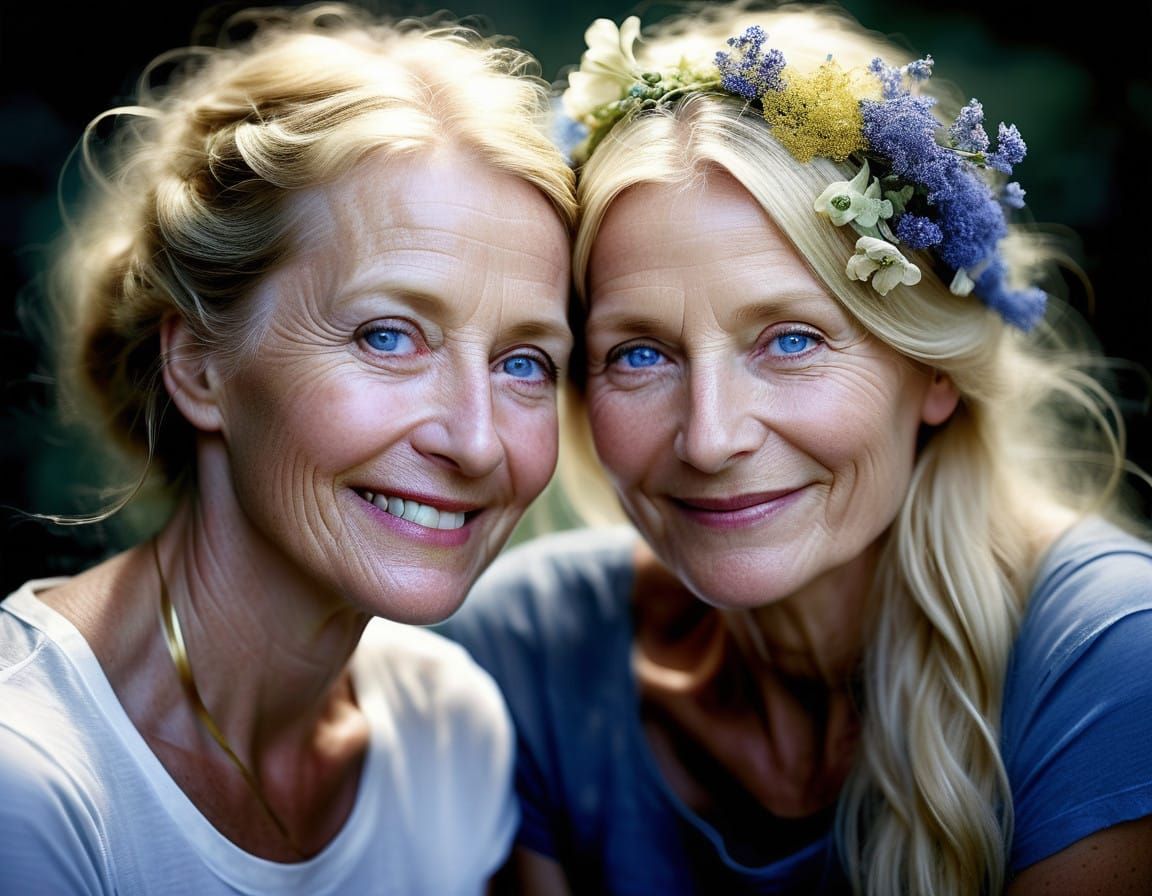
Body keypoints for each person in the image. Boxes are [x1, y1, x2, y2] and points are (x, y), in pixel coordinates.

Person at [437, 2, 1152, 893]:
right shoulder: (526, 655)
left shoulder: (1111, 663)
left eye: (792, 340)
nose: (711, 436)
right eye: (641, 353)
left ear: (933, 372)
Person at [0, 3, 577, 893]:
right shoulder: (29, 782)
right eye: (390, 337)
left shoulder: (452, 735)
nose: (475, 439)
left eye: (525, 361)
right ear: (197, 366)